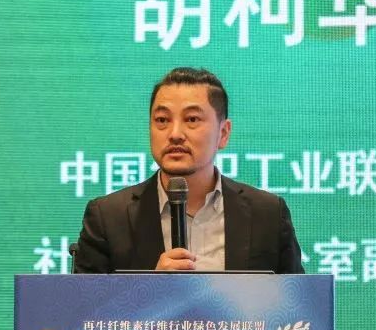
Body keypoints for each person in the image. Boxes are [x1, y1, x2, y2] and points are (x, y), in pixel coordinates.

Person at [74, 67, 304, 273]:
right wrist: (149, 289)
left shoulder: (268, 215)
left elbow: (298, 303)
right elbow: (83, 306)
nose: (175, 134)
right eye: (162, 120)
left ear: (223, 133)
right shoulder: (108, 217)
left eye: (192, 119)